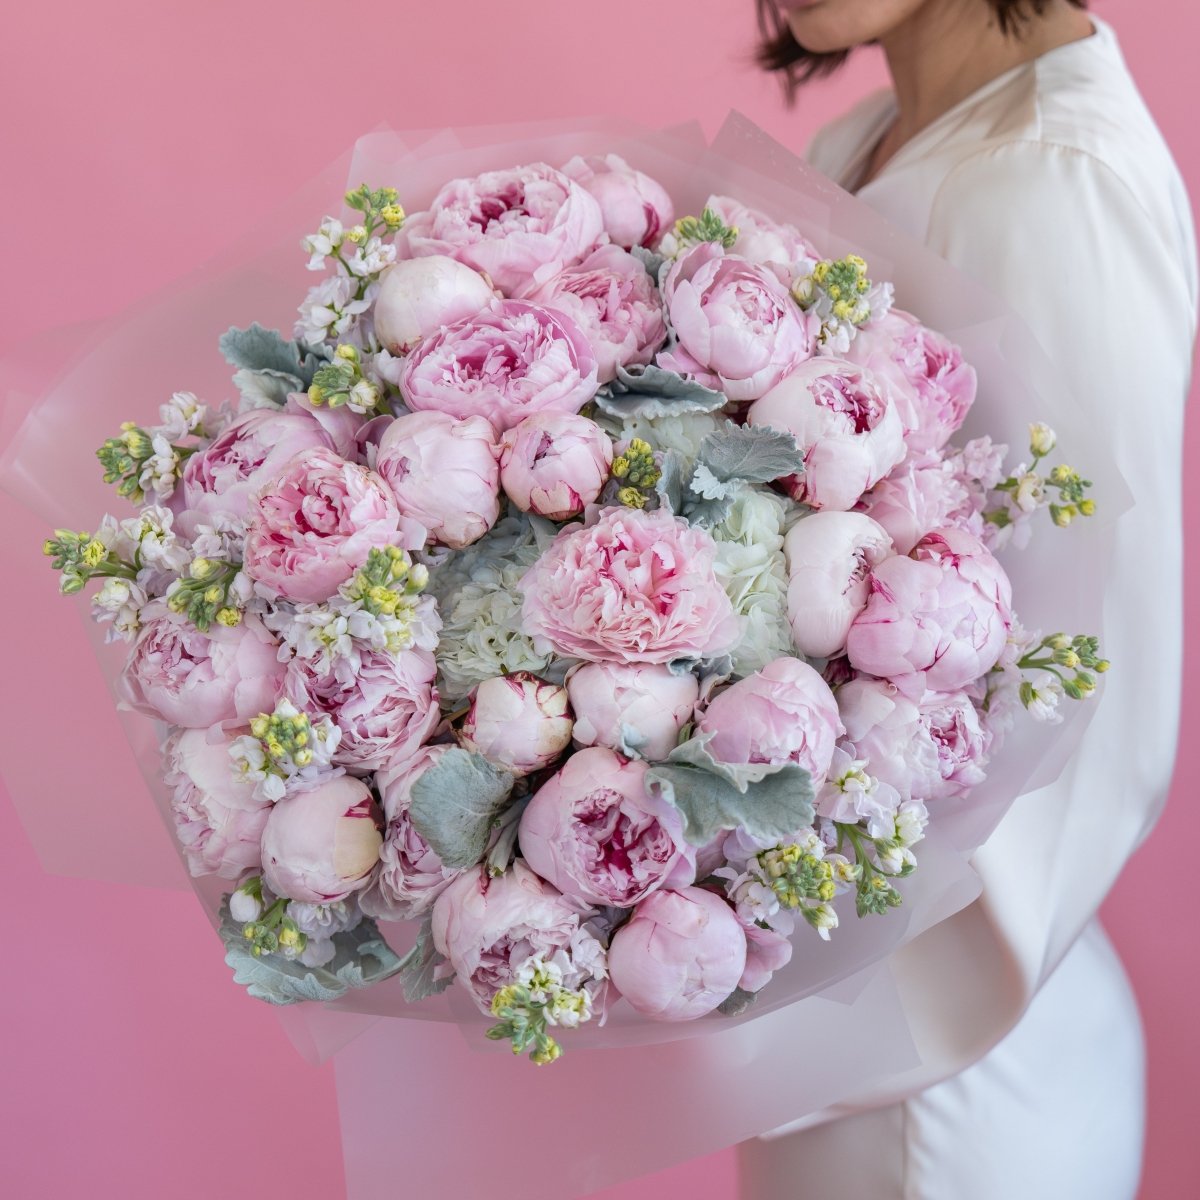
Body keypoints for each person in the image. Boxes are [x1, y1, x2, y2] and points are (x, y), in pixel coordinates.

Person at [737, 2, 1197, 1197]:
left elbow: (1102, 711)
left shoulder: (1052, 181)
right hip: (837, 1013)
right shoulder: (869, 140)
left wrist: (770, 1001)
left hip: (946, 1072)